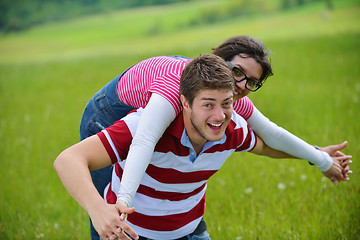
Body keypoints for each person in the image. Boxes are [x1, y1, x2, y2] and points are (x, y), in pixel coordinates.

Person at [79, 36, 350, 239]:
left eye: (251, 82)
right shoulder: (177, 90)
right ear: (220, 61)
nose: (242, 85)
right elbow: (144, 140)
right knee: (107, 211)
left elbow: (271, 134)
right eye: (238, 72)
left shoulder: (223, 99)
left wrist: (319, 156)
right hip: (108, 113)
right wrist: (123, 202)